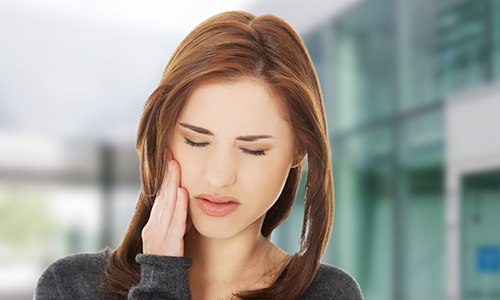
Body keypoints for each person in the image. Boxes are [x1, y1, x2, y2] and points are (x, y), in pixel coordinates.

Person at [34, 10, 363, 300]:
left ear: (299, 150)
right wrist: (161, 277)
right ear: (164, 137)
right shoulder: (72, 287)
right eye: (196, 141)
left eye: (253, 149)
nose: (219, 176)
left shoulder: (328, 294)